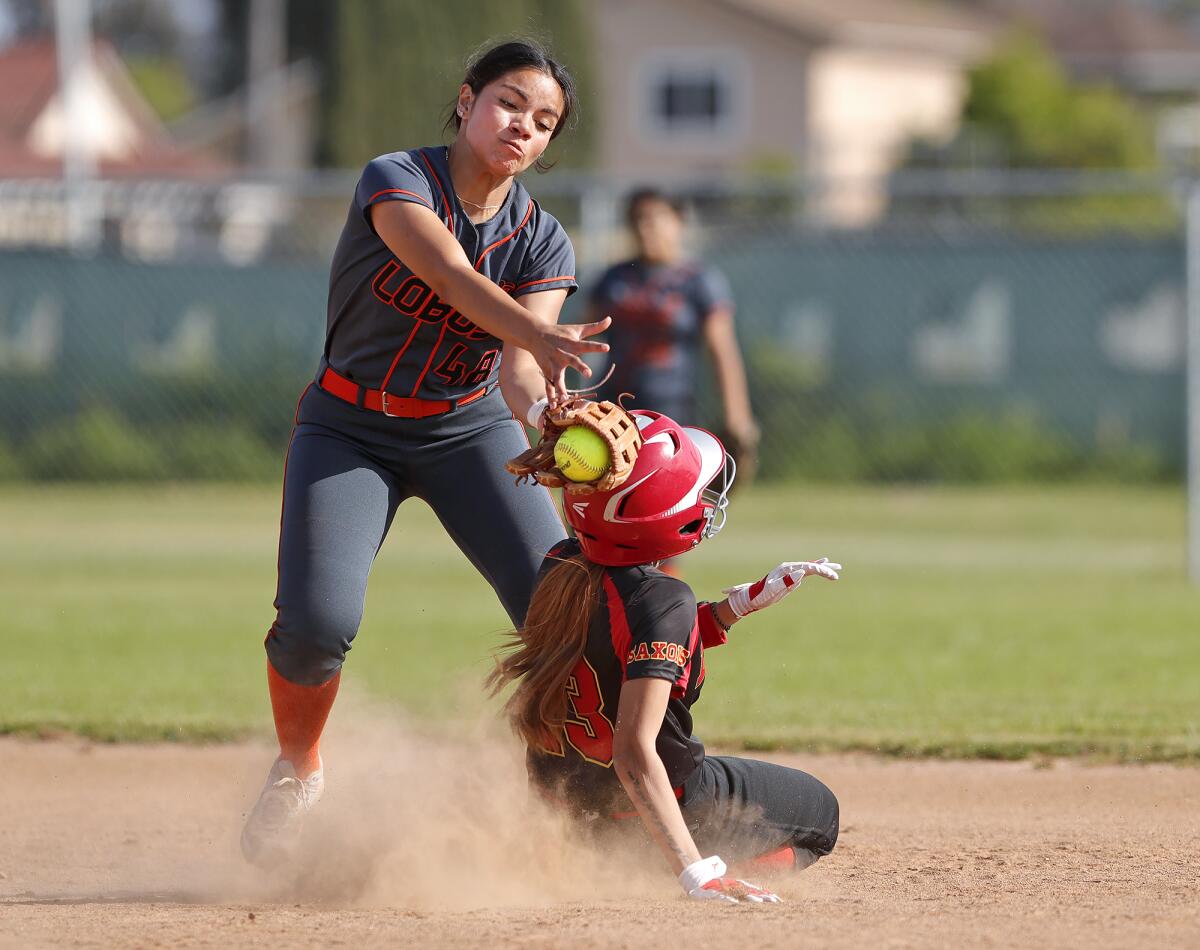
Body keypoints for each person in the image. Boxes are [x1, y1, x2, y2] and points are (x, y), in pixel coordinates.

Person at [240, 39, 611, 868]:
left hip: (467, 430)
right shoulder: (397, 178)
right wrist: (537, 334)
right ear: (467, 98)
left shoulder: (542, 242)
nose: (524, 126)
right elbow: (446, 274)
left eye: (544, 121)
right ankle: (299, 768)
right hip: (347, 427)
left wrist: (549, 423)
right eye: (511, 102)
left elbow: (521, 369)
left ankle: (563, 794)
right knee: (316, 626)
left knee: (562, 611)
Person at [488, 410, 841, 903]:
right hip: (654, 807)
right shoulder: (665, 599)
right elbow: (633, 750)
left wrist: (734, 608)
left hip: (567, 812)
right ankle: (665, 865)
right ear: (664, 515)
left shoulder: (561, 565)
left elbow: (619, 639)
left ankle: (617, 858)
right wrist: (695, 873)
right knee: (821, 815)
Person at [588, 188, 759, 479]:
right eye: (637, 220)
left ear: (678, 221)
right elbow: (581, 337)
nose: (644, 228)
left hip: (672, 411)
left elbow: (722, 351)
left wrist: (737, 416)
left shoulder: (698, 281)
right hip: (614, 409)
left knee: (663, 500)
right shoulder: (614, 278)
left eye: (654, 219)